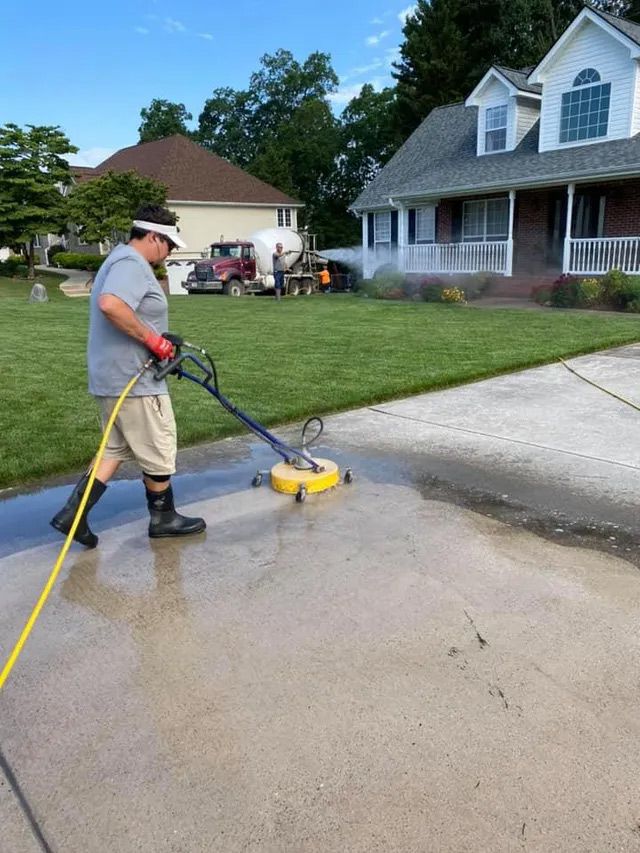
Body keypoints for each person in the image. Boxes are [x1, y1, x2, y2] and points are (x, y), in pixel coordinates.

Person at [50, 205, 206, 548]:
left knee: (114, 449)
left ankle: (71, 515)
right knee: (159, 448)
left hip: (111, 378)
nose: (170, 252)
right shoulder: (132, 264)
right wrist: (153, 340)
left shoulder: (117, 259)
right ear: (153, 236)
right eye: (169, 245)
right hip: (134, 381)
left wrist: (158, 339)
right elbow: (111, 305)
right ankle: (163, 518)